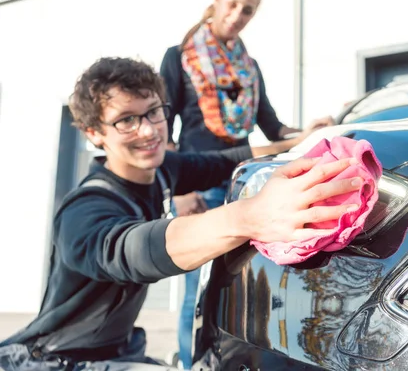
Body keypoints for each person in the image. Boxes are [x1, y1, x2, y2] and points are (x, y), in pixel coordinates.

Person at [0, 57, 360, 371]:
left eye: (153, 112)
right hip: (59, 360)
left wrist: (299, 142)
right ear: (95, 133)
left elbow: (226, 160)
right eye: (126, 120)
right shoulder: (85, 209)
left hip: (122, 350)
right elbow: (134, 249)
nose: (148, 130)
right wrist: (251, 216)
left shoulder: (162, 169)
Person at [158, 0, 333, 367]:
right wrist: (181, 193)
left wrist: (307, 132)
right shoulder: (180, 57)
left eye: (248, 10)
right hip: (198, 191)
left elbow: (274, 130)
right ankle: (193, 363)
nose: (238, 15)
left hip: (244, 189)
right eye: (233, 4)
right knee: (196, 292)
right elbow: (163, 132)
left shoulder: (249, 69)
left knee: (239, 290)